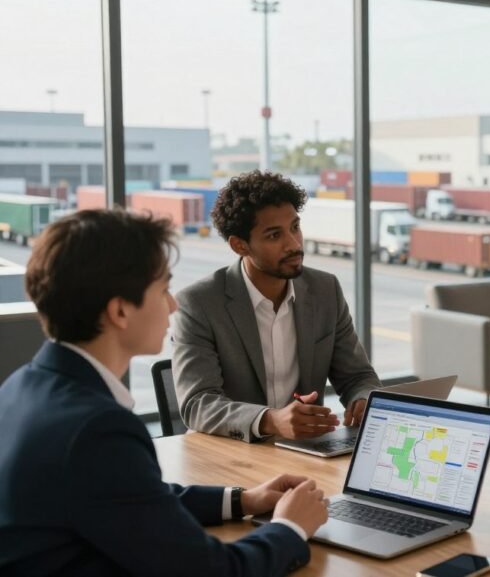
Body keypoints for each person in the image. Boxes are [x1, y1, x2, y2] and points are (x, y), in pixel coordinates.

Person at [0, 209, 329, 575]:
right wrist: (290, 527)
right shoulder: (96, 429)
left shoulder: (24, 386)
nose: (172, 304)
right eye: (162, 289)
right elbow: (213, 571)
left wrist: (241, 500)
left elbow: (129, 498)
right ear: (120, 312)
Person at [173, 171, 380, 442]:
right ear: (239, 245)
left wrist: (363, 400)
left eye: (295, 227)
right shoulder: (199, 303)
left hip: (303, 450)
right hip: (231, 452)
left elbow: (358, 377)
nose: (294, 244)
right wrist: (270, 420)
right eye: (274, 235)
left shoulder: (325, 290)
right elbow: (197, 403)